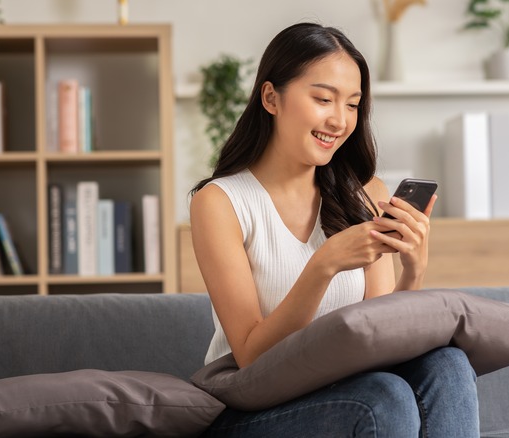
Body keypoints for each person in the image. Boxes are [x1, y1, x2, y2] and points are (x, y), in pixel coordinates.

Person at [189, 22, 479, 437]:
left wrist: (413, 270)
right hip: (251, 410)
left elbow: (379, 339)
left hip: (347, 391)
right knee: (384, 397)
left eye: (352, 105)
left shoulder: (363, 195)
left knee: (447, 364)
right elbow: (252, 357)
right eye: (324, 99)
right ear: (271, 98)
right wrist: (322, 265)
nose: (340, 121)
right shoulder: (220, 203)